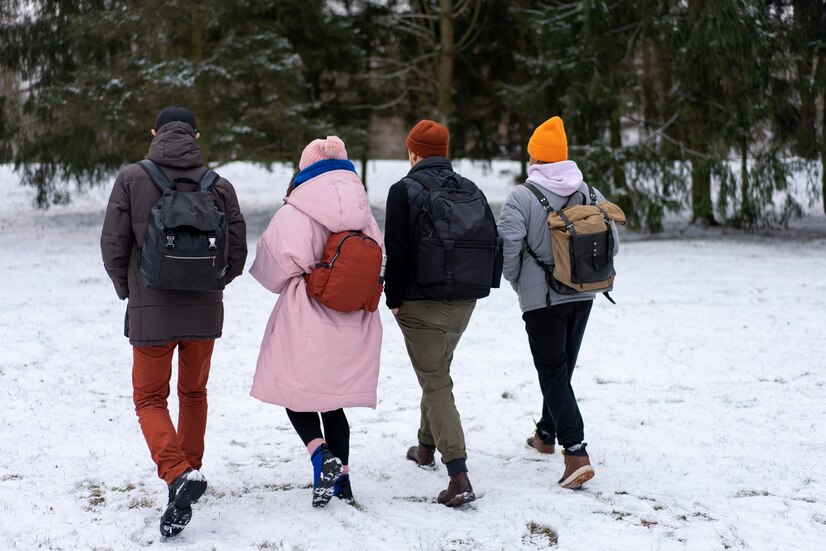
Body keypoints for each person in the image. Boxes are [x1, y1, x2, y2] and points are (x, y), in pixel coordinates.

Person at [100, 105, 247, 536]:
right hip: (204, 309)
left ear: (154, 133)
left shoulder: (131, 178)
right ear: (196, 137)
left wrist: (129, 290)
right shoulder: (220, 185)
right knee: (194, 392)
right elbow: (237, 251)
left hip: (152, 310)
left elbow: (112, 244)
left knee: (148, 399)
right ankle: (189, 471)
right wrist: (215, 283)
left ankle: (179, 475)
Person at [249, 136, 383, 508]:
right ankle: (343, 484)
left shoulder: (297, 210)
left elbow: (270, 268)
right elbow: (379, 258)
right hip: (354, 316)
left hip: (306, 314)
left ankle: (321, 455)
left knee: (296, 393)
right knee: (333, 401)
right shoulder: (364, 212)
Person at [497, 115, 620, 489]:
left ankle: (576, 451)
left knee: (552, 372)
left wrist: (520, 283)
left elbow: (509, 252)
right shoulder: (590, 192)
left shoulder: (522, 196)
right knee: (561, 370)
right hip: (584, 291)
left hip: (541, 299)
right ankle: (545, 434)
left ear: (535, 157)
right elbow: (611, 242)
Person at [384, 120, 497, 507]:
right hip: (465, 301)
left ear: (413, 152)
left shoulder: (404, 190)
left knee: (435, 380)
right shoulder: (470, 189)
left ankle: (458, 473)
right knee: (436, 370)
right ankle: (424, 447)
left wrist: (393, 298)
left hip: (420, 303)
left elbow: (396, 252)